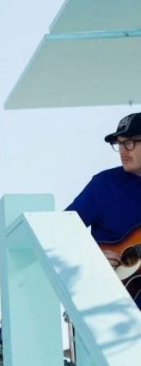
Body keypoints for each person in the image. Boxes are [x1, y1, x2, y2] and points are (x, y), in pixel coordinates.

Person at [67, 111, 141, 307]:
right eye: (119, 143)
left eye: (130, 142)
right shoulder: (105, 185)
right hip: (106, 307)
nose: (123, 150)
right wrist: (92, 258)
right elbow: (60, 233)